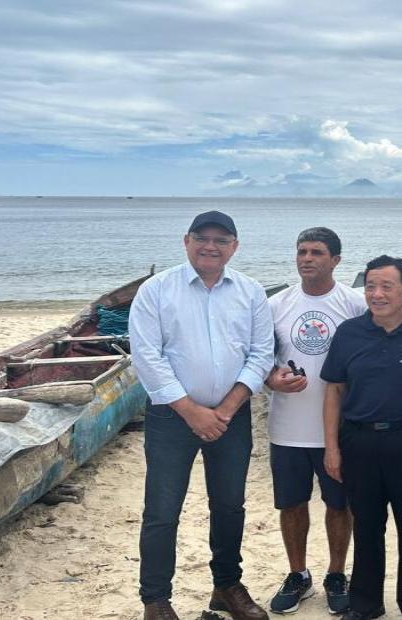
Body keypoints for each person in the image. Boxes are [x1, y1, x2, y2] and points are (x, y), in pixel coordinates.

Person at [130, 210, 274, 620]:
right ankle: (155, 599)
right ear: (186, 240)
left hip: (232, 417)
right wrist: (191, 410)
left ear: (235, 246)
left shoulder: (250, 291)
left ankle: (226, 586)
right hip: (171, 417)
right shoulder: (156, 290)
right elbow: (147, 356)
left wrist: (226, 409)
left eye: (221, 239)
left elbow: (261, 354)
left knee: (230, 505)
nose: (211, 246)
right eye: (202, 238)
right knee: (162, 509)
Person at [320, 255, 402, 620]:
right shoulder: (349, 332)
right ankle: (365, 603)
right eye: (371, 286)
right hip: (359, 442)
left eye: (387, 286)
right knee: (367, 526)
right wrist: (332, 448)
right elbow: (334, 392)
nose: (376, 294)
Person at [264, 227, 366, 615]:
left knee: (339, 505)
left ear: (336, 260)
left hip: (338, 430)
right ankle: (298, 574)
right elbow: (259, 359)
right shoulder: (277, 305)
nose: (307, 258)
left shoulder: (354, 303)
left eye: (317, 252)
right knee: (291, 505)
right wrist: (272, 379)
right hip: (287, 427)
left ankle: (337, 574)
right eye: (302, 251)